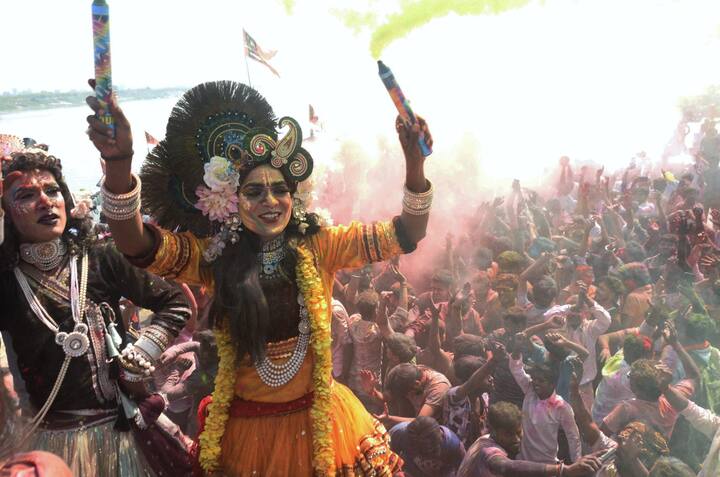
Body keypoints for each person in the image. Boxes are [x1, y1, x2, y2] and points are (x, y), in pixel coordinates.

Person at [86, 80, 433, 475]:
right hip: (246, 435)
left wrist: (416, 165)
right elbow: (134, 243)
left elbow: (407, 233)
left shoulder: (322, 244)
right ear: (232, 201)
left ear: (294, 194)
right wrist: (120, 162)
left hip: (326, 425)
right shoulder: (213, 255)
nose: (270, 201)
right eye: (254, 192)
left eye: (279, 189)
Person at [0, 149, 194, 476]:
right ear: (6, 212)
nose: (46, 202)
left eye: (52, 191)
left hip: (119, 434)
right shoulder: (6, 281)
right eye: (26, 195)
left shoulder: (101, 259)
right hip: (48, 444)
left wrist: (141, 353)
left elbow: (176, 303)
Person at [456, 402, 602, 477]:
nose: (516, 439)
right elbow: (506, 467)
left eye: (519, 432)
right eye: (508, 434)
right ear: (493, 431)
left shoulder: (483, 440)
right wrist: (564, 470)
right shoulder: (489, 451)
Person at [508, 339, 582, 464]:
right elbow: (516, 369)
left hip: (548, 465)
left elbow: (573, 437)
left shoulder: (561, 406)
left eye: (541, 381)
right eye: (535, 379)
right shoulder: (530, 391)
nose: (536, 383)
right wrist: (516, 349)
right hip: (524, 461)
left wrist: (578, 463)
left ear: (552, 384)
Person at [389, 416, 465, 477]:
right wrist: (395, 472)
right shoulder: (399, 433)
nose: (421, 457)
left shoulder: (455, 447)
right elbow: (383, 457)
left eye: (425, 452)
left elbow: (464, 473)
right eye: (416, 450)